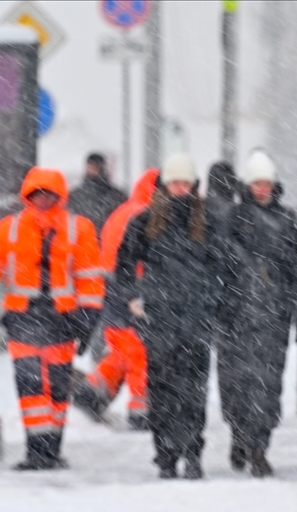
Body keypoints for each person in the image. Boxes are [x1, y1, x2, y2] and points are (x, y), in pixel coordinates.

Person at [0, 167, 104, 469]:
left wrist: (88, 315)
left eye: (49, 194)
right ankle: (37, 453)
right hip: (23, 317)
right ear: (27, 196)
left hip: (62, 319)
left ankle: (51, 450)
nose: (43, 199)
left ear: (60, 196)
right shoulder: (10, 228)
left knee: (56, 389)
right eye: (37, 194)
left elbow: (89, 277)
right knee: (30, 385)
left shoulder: (78, 228)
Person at [114, 153, 231, 479]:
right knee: (163, 389)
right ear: (165, 185)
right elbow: (123, 263)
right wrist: (133, 297)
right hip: (161, 318)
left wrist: (213, 299)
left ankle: (192, 453)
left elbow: (223, 266)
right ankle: (166, 454)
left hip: (195, 319)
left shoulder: (208, 222)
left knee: (193, 391)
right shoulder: (146, 221)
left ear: (193, 185)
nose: (180, 188)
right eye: (174, 183)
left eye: (185, 183)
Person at [216, 150, 297, 477]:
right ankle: (241, 435)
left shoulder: (287, 221)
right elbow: (220, 265)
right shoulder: (232, 218)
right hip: (237, 318)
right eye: (256, 183)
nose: (261, 188)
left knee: (267, 385)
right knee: (237, 383)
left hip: (273, 318)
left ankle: (259, 446)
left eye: (266, 183)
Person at [71, 168, 158, 430]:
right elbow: (137, 260)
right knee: (141, 352)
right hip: (132, 292)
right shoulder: (145, 216)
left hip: (110, 292)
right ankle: (142, 410)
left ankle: (91, 392)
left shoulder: (123, 211)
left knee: (122, 350)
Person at [68, 152, 127, 234]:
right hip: (83, 238)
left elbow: (123, 220)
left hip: (108, 237)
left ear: (101, 168)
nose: (91, 169)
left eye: (94, 166)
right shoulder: (74, 195)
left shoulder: (116, 195)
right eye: (89, 165)